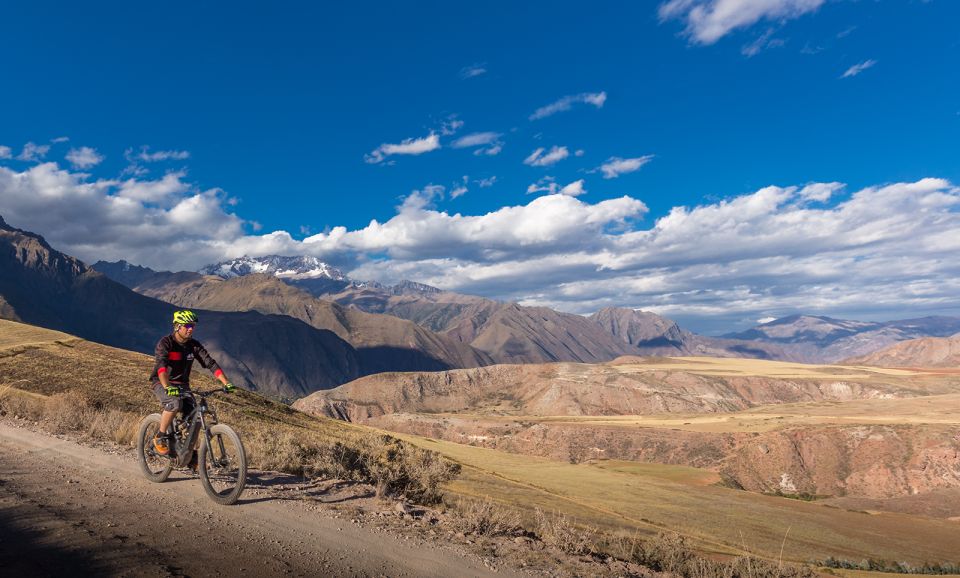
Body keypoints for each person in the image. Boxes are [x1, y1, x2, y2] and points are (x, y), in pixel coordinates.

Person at [150, 310, 235, 455]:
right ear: (177, 326)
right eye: (187, 325)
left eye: (193, 326)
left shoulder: (193, 345)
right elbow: (161, 367)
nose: (191, 329)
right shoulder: (166, 343)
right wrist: (167, 386)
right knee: (174, 403)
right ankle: (160, 436)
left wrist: (226, 383)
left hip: (183, 385)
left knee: (196, 419)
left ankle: (190, 454)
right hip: (162, 382)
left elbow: (210, 363)